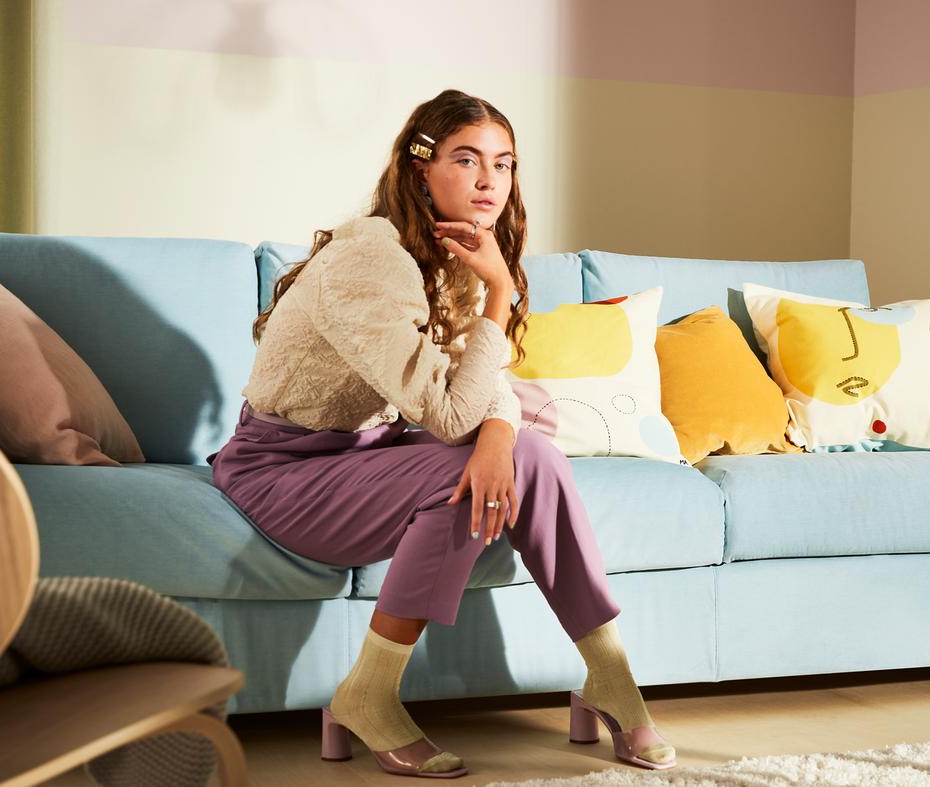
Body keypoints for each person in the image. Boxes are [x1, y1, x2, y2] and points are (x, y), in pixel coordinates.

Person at [206, 89, 676, 779]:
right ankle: (367, 694)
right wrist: (499, 296)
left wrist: (500, 438)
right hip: (284, 470)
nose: (490, 181)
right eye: (467, 159)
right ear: (420, 167)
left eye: (503, 163)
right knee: (463, 475)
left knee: (535, 456)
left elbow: (487, 389)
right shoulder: (372, 261)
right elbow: (453, 416)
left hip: (371, 454)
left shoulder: (455, 251)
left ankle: (611, 678)